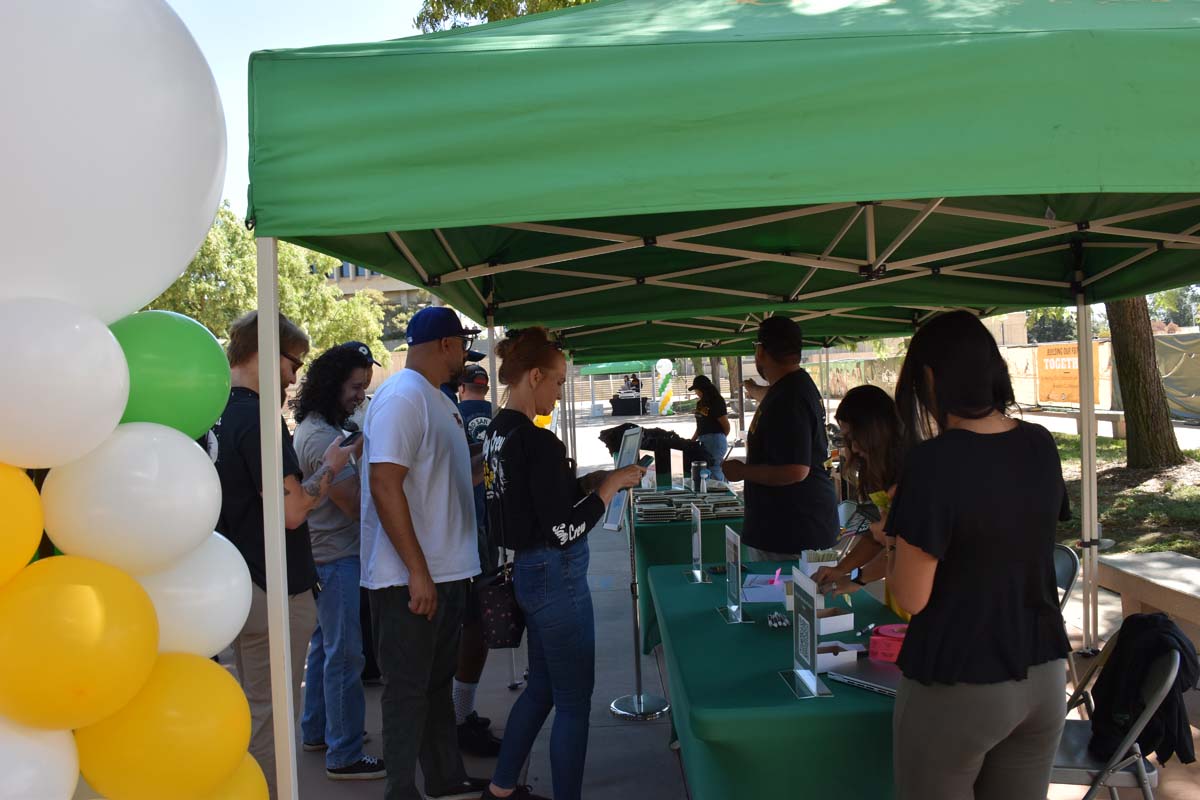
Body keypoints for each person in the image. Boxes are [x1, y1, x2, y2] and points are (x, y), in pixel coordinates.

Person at [883, 311, 1071, 800]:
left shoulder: (934, 461)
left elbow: (911, 598)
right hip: (1044, 674)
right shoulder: (1040, 444)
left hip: (960, 675)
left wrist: (895, 537)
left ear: (929, 379)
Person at [481, 327, 644, 800]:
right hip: (557, 578)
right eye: (557, 382)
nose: (558, 392)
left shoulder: (496, 433)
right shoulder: (538, 441)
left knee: (542, 689)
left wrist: (587, 483)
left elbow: (531, 502)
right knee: (573, 701)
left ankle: (501, 787)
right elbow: (562, 529)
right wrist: (607, 489)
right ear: (534, 376)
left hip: (527, 573)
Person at [210, 311, 354, 800]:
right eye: (294, 363)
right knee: (269, 718)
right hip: (272, 590)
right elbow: (292, 511)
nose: (294, 378)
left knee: (257, 711)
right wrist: (330, 468)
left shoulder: (214, 412)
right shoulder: (257, 418)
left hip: (240, 583)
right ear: (267, 353)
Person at [361, 306, 489, 800]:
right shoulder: (403, 396)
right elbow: (384, 482)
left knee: (435, 684)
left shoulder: (438, 399)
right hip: (409, 579)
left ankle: (444, 776)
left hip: (446, 570)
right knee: (408, 689)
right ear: (446, 345)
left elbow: (444, 476)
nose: (464, 358)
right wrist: (417, 571)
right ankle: (400, 789)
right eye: (462, 347)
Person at [292, 341, 386, 781]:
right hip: (335, 557)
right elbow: (353, 504)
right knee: (346, 655)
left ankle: (318, 731)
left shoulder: (321, 426)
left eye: (364, 387)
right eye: (355, 387)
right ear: (332, 385)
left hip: (325, 555)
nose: (360, 396)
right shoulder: (321, 437)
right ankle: (344, 752)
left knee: (326, 649)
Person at [722, 316, 837, 560]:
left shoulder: (789, 398)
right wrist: (755, 390)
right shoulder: (792, 387)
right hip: (790, 528)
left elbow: (796, 470)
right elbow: (773, 398)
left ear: (760, 351)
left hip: (790, 533)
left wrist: (741, 471)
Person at [811, 385, 907, 618]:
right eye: (847, 439)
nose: (853, 447)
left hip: (918, 595)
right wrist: (841, 569)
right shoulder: (878, 469)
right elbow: (877, 537)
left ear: (875, 430)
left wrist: (858, 578)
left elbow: (904, 548)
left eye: (855, 437)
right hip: (899, 594)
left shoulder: (910, 472)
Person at [452, 363, 504, 756]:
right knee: (474, 624)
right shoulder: (496, 417)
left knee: (472, 623)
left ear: (462, 387)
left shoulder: (455, 414)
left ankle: (461, 712)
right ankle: (459, 714)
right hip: (479, 528)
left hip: (464, 529)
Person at [688, 374, 730, 482]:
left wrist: (718, 438)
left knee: (714, 469)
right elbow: (700, 425)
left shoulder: (716, 401)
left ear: (703, 389)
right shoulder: (700, 403)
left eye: (696, 389)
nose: (696, 392)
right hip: (704, 440)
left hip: (715, 439)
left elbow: (726, 426)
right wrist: (692, 440)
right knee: (708, 470)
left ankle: (721, 490)